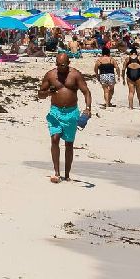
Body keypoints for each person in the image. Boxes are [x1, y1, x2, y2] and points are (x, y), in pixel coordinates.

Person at [38, 53, 92, 184]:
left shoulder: (75, 75)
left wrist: (88, 108)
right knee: (55, 139)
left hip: (71, 112)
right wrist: (48, 93)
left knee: (69, 143)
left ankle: (67, 174)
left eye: (62, 65)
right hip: (55, 112)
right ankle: (57, 172)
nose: (59, 67)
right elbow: (40, 94)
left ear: (68, 63)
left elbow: (86, 92)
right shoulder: (50, 75)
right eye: (57, 64)